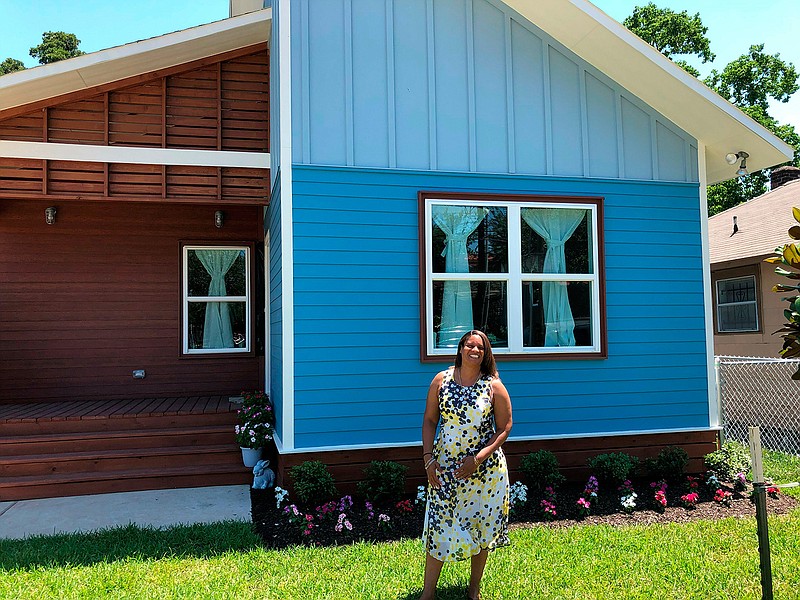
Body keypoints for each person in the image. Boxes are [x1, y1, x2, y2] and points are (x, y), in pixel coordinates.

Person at [420, 330, 513, 600]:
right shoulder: (442, 380)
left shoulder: (493, 385)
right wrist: (428, 459)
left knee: (481, 528)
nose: (475, 350)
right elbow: (429, 421)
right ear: (460, 348)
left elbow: (505, 427)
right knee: (439, 526)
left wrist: (478, 459)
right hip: (444, 468)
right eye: (469, 345)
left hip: (484, 472)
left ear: (486, 354)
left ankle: (474, 589)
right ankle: (428, 594)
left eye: (480, 347)